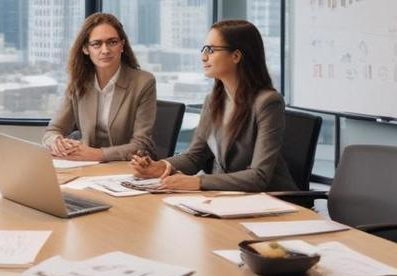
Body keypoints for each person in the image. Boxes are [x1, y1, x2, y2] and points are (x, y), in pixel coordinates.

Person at [129, 19, 296, 192]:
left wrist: (199, 182)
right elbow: (195, 156)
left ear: (236, 56)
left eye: (211, 50)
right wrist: (160, 166)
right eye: (204, 49)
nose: (203, 56)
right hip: (229, 199)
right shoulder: (213, 100)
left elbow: (259, 176)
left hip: (272, 200)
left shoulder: (268, 103)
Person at [43, 13, 157, 162]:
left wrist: (98, 154)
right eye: (96, 44)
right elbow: (53, 129)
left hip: (127, 168)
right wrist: (56, 142)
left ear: (122, 45)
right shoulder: (79, 82)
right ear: (85, 49)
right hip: (86, 168)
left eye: (112, 42)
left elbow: (141, 145)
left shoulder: (143, 82)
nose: (105, 50)